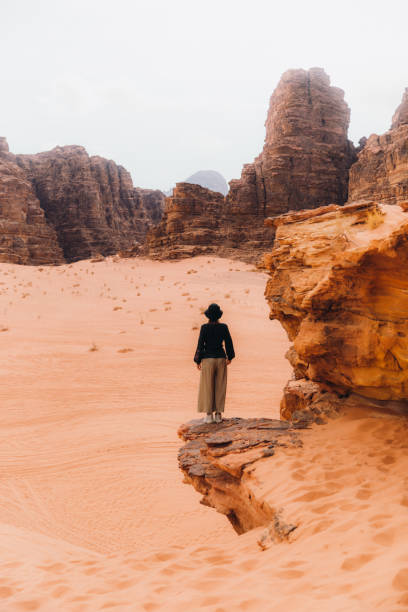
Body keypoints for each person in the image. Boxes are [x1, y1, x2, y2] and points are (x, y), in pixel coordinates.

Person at [194, 303, 235, 424]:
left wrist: (197, 360)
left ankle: (209, 415)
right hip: (221, 359)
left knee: (207, 386)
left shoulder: (204, 328)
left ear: (208, 316)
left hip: (208, 360)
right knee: (220, 386)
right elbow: (229, 342)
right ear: (218, 316)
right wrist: (230, 357)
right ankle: (218, 415)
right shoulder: (223, 327)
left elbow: (200, 345)